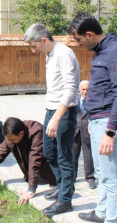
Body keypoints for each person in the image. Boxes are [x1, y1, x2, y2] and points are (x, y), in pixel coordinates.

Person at [69, 11, 117, 222]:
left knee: (110, 177)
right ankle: (102, 212)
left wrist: (110, 131)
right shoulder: (101, 53)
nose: (77, 44)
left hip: (107, 123)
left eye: (78, 39)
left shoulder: (116, 52)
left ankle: (111, 219)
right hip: (96, 120)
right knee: (102, 173)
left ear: (89, 34)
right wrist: (90, 117)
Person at [24, 24, 80, 216]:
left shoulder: (64, 54)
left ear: (44, 40)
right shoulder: (50, 53)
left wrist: (57, 117)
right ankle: (64, 185)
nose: (33, 50)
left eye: (34, 46)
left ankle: (65, 200)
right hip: (52, 111)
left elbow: (71, 88)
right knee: (49, 151)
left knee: (64, 156)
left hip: (64, 112)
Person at [0, 117, 57, 204]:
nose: (10, 142)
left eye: (12, 139)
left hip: (51, 171)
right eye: (8, 139)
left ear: (21, 133)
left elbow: (35, 161)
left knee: (43, 171)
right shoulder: (11, 136)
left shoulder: (37, 132)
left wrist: (31, 190)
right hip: (34, 172)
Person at [73, 80, 97, 189]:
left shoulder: (94, 101)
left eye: (87, 89)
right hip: (75, 132)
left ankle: (90, 178)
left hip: (87, 132)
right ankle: (72, 177)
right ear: (79, 90)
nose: (85, 91)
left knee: (88, 156)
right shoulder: (75, 99)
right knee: (73, 156)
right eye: (83, 89)